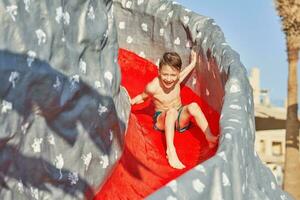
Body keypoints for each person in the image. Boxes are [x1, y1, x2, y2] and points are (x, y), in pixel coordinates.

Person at [130, 50, 218, 169]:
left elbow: (184, 73)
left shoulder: (176, 79)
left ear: (177, 74)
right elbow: (142, 97)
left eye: (173, 75)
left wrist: (193, 63)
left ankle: (209, 137)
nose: (169, 79)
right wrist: (131, 102)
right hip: (162, 118)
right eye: (165, 74)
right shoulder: (153, 87)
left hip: (179, 116)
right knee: (171, 112)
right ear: (159, 72)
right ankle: (171, 151)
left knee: (193, 106)